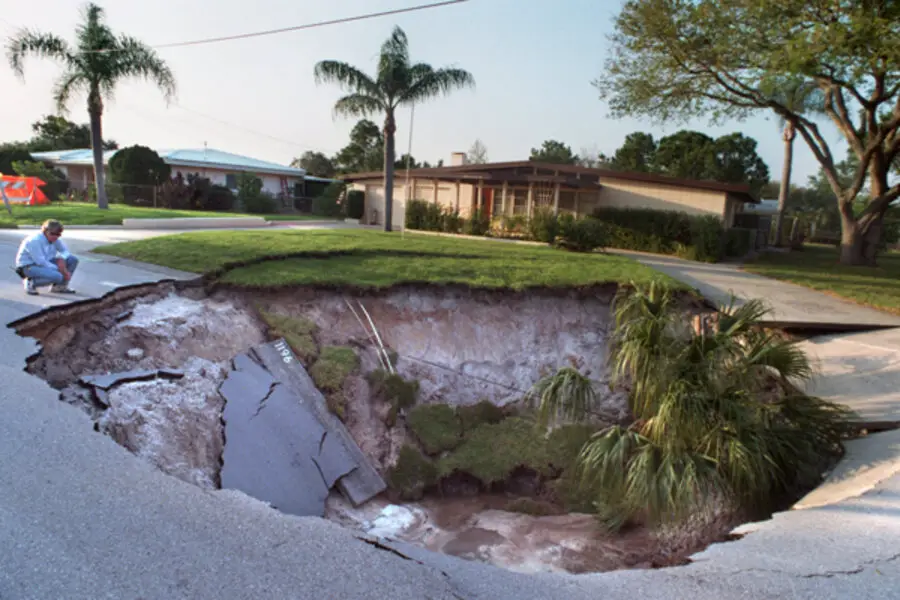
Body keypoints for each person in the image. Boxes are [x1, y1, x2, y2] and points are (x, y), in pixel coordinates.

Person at [14, 219, 78, 296]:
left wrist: (61, 258)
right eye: (53, 234)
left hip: (45, 262)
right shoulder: (34, 241)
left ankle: (59, 287)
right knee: (58, 276)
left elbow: (65, 251)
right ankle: (31, 282)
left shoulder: (55, 240)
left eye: (58, 234)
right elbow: (40, 262)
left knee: (72, 259)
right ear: (45, 231)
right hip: (29, 266)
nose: (55, 236)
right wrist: (62, 270)